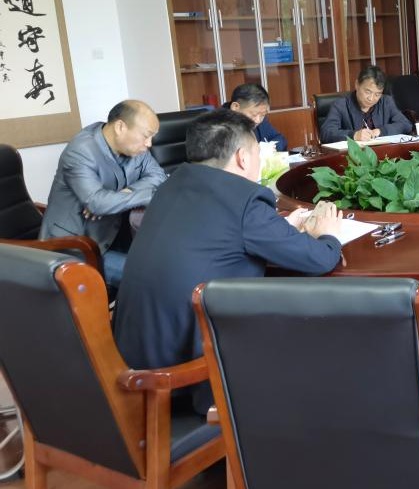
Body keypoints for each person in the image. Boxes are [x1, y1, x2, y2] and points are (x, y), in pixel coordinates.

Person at [113, 109, 346, 414]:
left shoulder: (172, 185)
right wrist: (327, 234)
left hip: (133, 360)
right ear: (242, 158)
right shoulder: (245, 199)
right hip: (183, 378)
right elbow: (319, 259)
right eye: (257, 152)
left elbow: (216, 234)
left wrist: (281, 229)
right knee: (315, 336)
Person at [40, 99, 166, 287]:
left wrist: (124, 192)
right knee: (152, 279)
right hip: (76, 248)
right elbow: (97, 204)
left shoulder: (135, 148)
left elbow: (158, 176)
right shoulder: (81, 151)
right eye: (146, 136)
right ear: (120, 127)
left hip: (113, 236)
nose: (149, 144)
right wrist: (148, 194)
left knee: (165, 265)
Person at [320, 65, 412, 143]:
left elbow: (405, 124)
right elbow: (326, 133)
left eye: (377, 94)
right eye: (368, 92)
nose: (371, 98)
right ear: (357, 84)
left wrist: (381, 131)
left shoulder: (386, 102)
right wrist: (354, 135)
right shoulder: (341, 105)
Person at [224, 82, 287, 151]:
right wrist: (255, 150)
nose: (258, 120)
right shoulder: (219, 127)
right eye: (253, 115)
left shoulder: (259, 117)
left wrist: (271, 147)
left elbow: (280, 139)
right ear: (235, 107)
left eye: (263, 115)